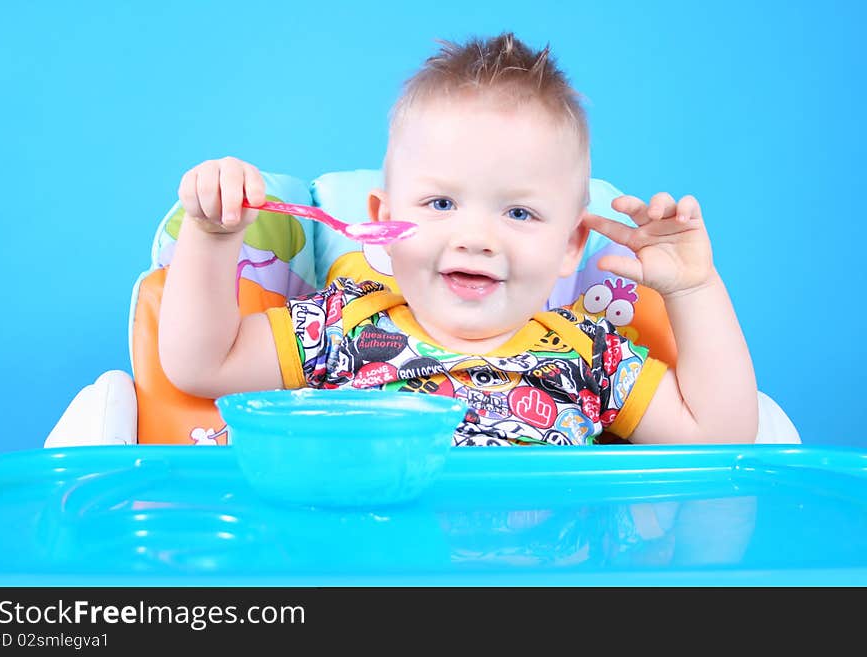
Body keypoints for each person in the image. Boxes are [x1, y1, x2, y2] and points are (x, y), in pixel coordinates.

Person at [158, 33, 758, 447]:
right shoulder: (345, 326)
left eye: (519, 212)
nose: (475, 238)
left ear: (571, 246)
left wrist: (694, 288)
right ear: (381, 224)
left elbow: (721, 434)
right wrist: (214, 236)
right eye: (441, 203)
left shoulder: (591, 355)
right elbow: (202, 366)